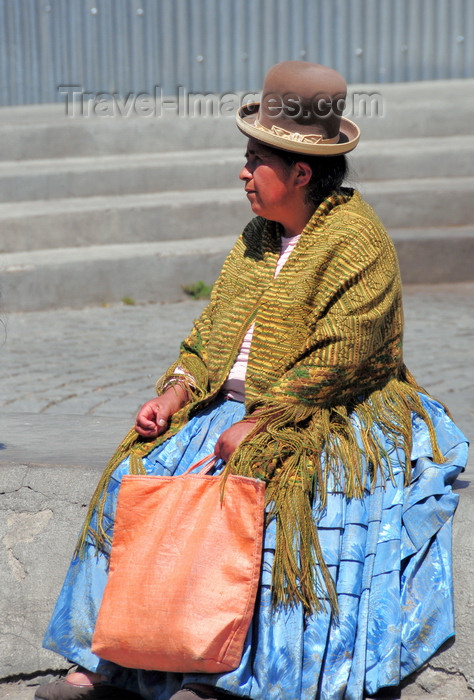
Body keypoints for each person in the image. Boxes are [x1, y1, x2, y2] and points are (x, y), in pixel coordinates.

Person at [36, 62, 467, 700]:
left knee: (274, 495)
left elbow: (340, 358)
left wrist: (262, 421)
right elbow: (212, 330)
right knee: (138, 474)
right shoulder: (257, 237)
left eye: (255, 161)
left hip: (328, 407)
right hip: (234, 404)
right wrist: (176, 392)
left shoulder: (358, 240)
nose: (243, 172)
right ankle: (109, 659)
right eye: (246, 157)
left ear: (301, 171)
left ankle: (221, 675)